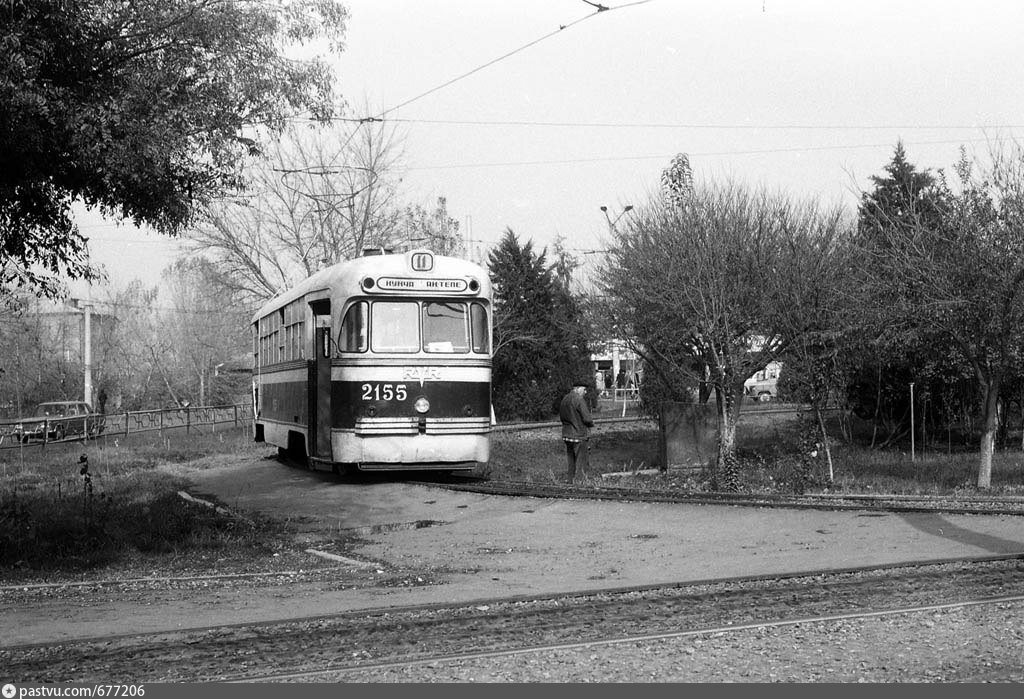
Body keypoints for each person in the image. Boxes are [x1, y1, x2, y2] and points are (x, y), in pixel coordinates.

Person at [559, 379, 595, 483]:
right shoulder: (579, 400)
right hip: (579, 435)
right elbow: (587, 419)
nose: (585, 392)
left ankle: (570, 481)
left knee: (571, 461)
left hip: (566, 435)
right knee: (581, 462)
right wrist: (591, 424)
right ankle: (580, 483)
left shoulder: (565, 399)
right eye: (584, 389)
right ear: (578, 388)